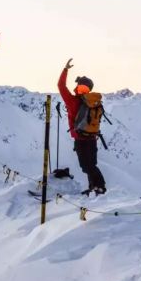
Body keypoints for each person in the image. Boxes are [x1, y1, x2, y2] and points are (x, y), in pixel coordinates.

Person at [58, 58, 107, 195]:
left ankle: (100, 186)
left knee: (86, 166)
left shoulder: (73, 101)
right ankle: (94, 187)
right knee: (91, 165)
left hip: (80, 138)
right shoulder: (94, 103)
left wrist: (65, 70)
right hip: (92, 137)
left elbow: (61, 86)